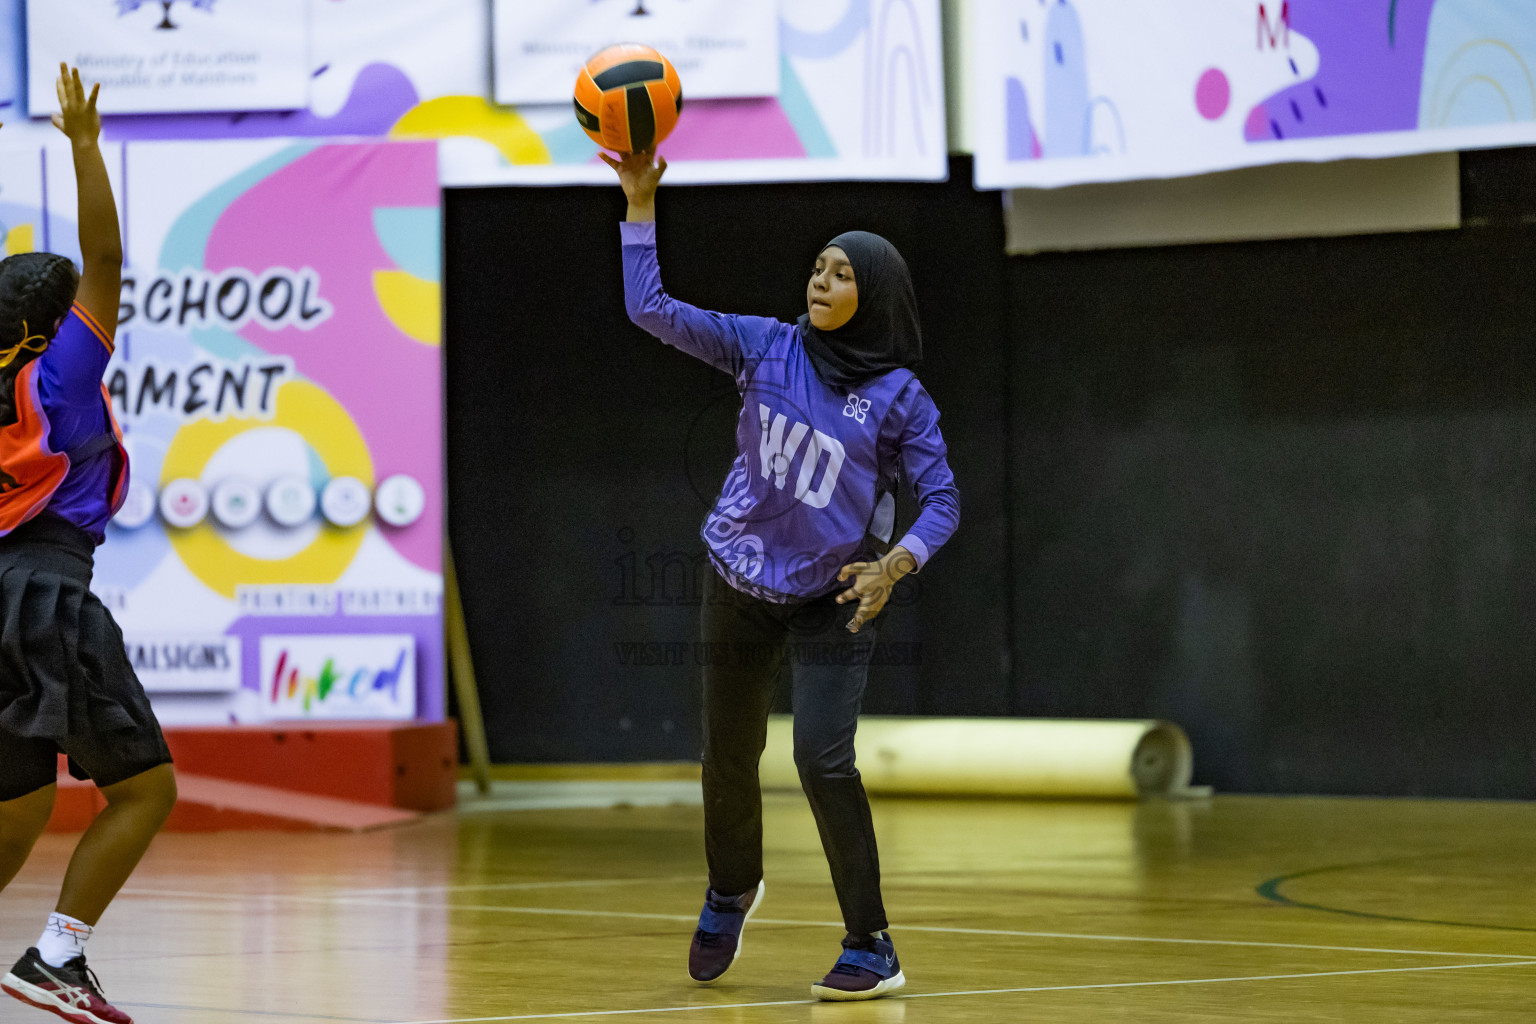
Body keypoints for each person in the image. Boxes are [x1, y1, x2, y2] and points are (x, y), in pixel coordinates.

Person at [603, 149, 960, 1001]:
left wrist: (896, 564)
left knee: (822, 760)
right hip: (738, 582)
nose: (822, 282)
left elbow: (943, 500)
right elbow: (648, 308)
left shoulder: (900, 397)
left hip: (835, 596)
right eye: (818, 268)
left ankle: (872, 945)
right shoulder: (765, 345)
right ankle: (731, 888)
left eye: (843, 275)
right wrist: (641, 204)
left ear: (872, 296)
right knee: (727, 753)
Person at [0, 65, 177, 1024]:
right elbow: (102, 256)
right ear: (44, 328)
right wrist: (80, 144)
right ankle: (56, 958)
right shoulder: (61, 377)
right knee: (147, 790)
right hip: (46, 596)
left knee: (18, 805)